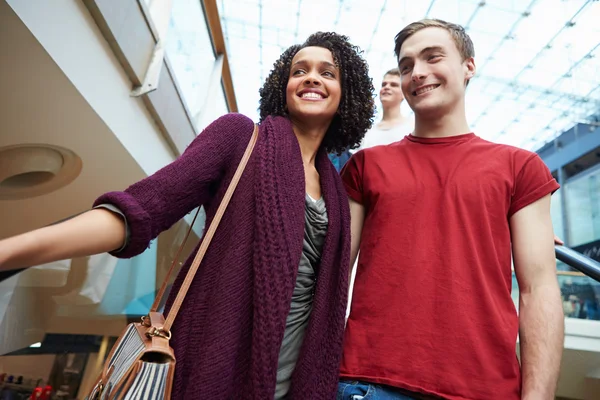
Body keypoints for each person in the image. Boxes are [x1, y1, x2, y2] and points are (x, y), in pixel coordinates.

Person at [0, 32, 375, 399]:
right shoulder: (241, 137)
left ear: (347, 95)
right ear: (283, 85)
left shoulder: (337, 193)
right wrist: (12, 251)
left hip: (296, 381)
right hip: (213, 365)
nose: (311, 77)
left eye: (327, 72)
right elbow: (141, 209)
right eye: (299, 70)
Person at [338, 19, 564, 400]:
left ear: (468, 66)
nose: (417, 73)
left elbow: (538, 290)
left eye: (432, 57)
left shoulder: (519, 167)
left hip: (485, 388)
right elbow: (333, 272)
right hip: (368, 381)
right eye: (407, 64)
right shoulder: (366, 166)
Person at [354, 67, 414, 151]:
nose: (386, 87)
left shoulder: (413, 128)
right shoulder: (366, 134)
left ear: (404, 94)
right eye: (384, 84)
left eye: (394, 85)